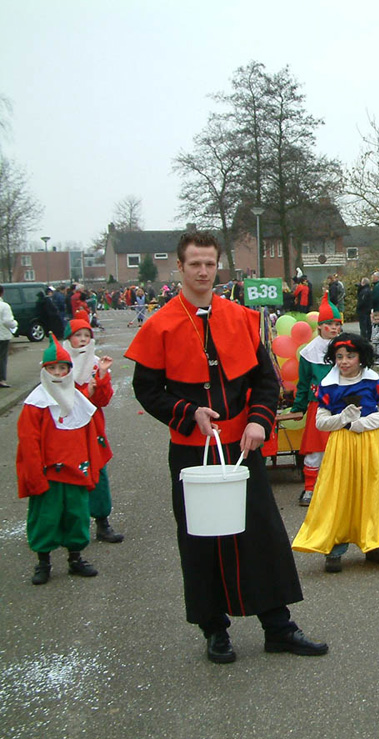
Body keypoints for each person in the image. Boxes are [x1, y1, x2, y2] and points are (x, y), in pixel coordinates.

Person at [126, 230, 327, 665]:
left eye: (209, 264)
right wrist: (187, 412)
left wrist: (259, 420)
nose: (203, 271)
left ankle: (278, 627)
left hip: (242, 447)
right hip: (191, 449)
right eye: (194, 264)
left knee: (261, 534)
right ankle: (214, 629)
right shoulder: (159, 324)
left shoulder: (239, 317)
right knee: (201, 539)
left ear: (218, 267)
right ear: (180, 267)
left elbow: (266, 380)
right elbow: (147, 390)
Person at [292, 333, 379, 572]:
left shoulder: (373, 381)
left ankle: (374, 544)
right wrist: (342, 419)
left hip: (370, 443)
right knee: (338, 493)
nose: (344, 361)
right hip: (341, 445)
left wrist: (362, 423)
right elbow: (320, 422)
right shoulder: (329, 385)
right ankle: (335, 549)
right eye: (339, 357)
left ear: (361, 357)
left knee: (372, 491)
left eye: (350, 356)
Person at [17, 335, 107, 585]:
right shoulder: (36, 403)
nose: (58, 373)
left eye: (62, 368)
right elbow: (28, 443)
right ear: (44, 370)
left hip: (77, 471)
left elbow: (89, 438)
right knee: (45, 518)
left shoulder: (79, 400)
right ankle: (43, 562)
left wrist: (92, 470)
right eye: (52, 368)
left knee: (77, 516)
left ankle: (75, 558)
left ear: (69, 369)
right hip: (48, 474)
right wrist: (34, 476)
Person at [278, 294, 343, 507]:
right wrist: (298, 408)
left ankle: (340, 489)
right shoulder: (309, 352)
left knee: (342, 448)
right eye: (330, 324)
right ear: (320, 326)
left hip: (342, 405)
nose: (334, 328)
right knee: (316, 450)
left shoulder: (346, 347)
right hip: (319, 406)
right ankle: (310, 488)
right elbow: (304, 384)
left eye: (337, 324)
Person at [64, 311, 123, 543]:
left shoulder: (95, 363)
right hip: (67, 430)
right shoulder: (59, 363)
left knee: (97, 471)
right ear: (69, 338)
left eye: (86, 335)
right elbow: (58, 396)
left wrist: (103, 375)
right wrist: (84, 392)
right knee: (69, 474)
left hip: (92, 427)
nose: (82, 340)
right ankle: (70, 525)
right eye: (77, 335)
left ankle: (102, 521)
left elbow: (103, 400)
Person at [0, 284, 16, 387]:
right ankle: (1, 379)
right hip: (2, 335)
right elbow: (7, 321)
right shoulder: (4, 306)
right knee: (2, 357)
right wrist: (15, 324)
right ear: (2, 293)